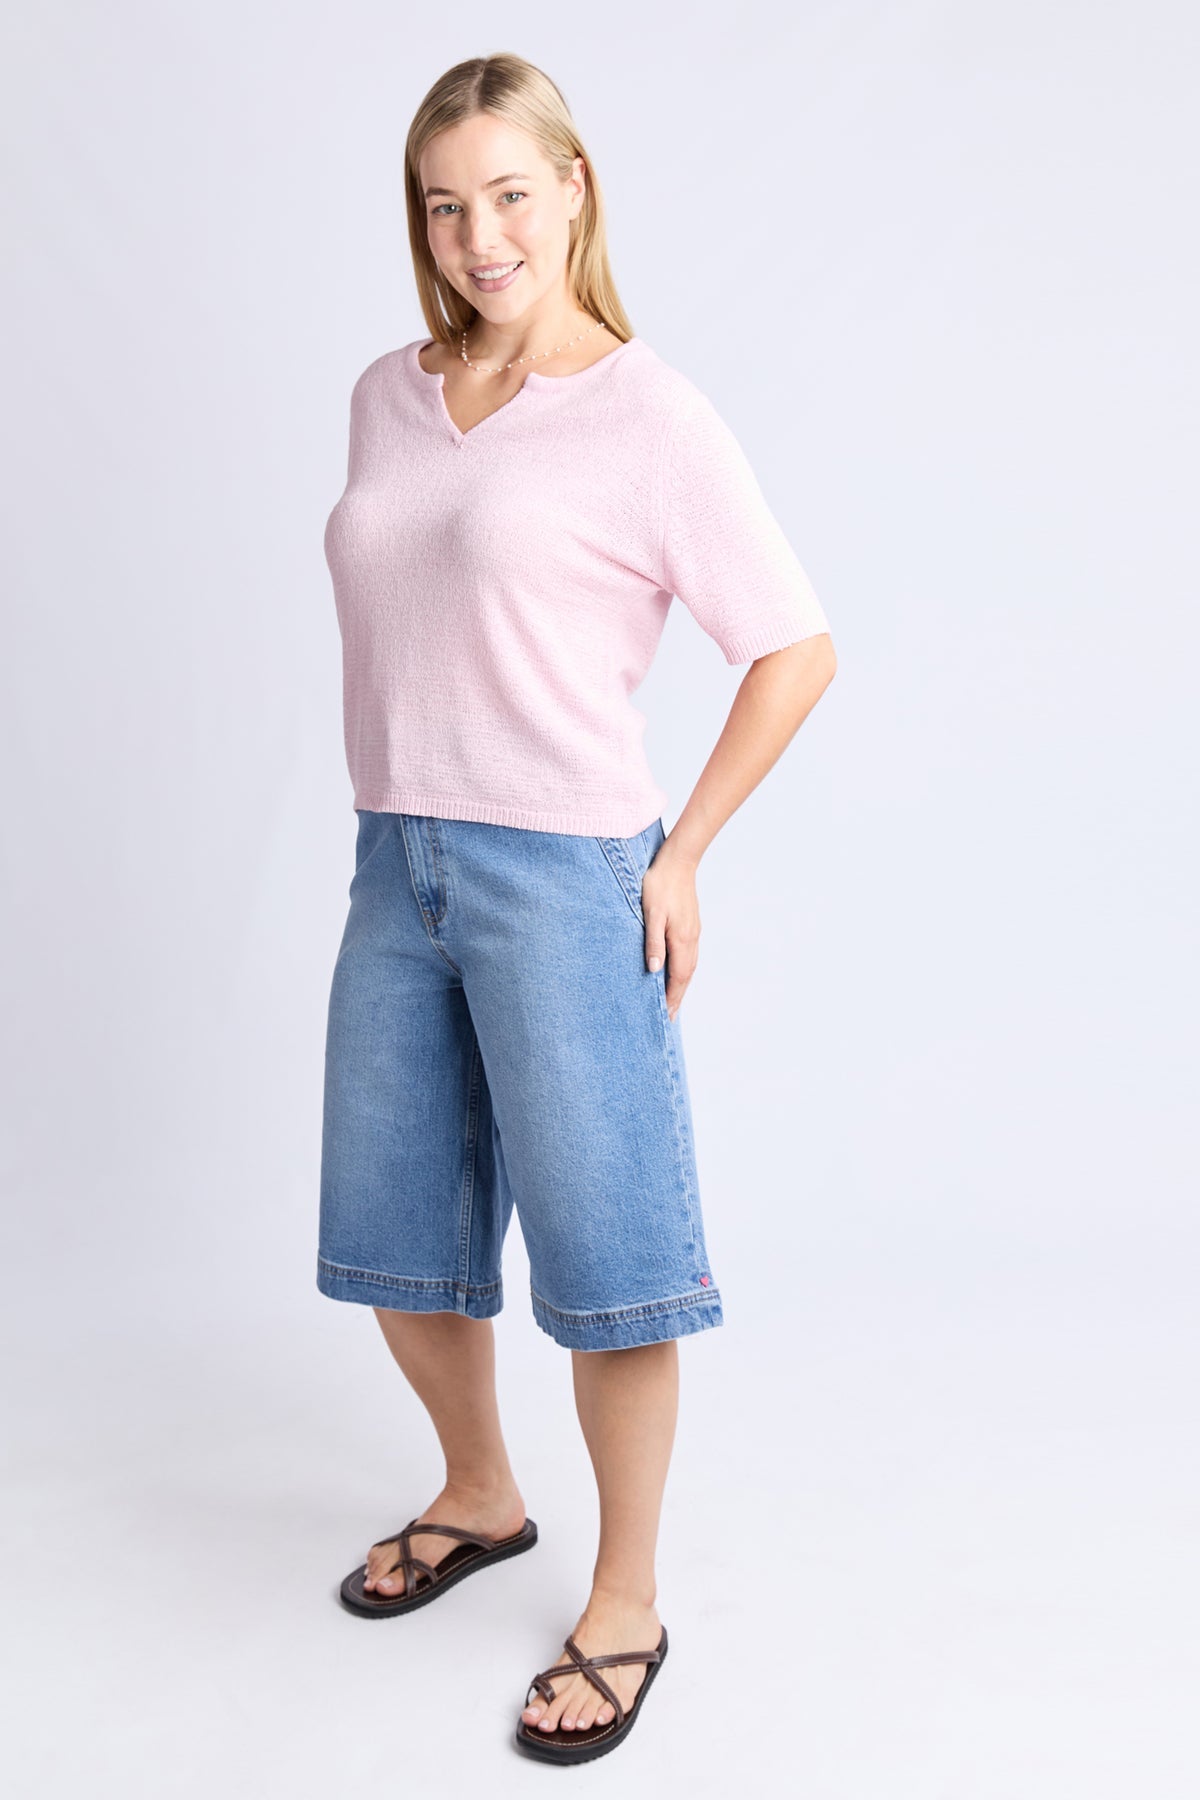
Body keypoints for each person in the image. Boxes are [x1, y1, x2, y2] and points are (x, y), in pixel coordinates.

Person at [317, 52, 837, 1764]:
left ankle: (626, 1599)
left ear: (575, 189)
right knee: (394, 1235)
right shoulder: (388, 395)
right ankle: (480, 1491)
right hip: (396, 861)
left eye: (509, 196)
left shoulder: (648, 415)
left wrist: (678, 857)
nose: (480, 237)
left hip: (562, 874)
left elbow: (795, 646)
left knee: (613, 1268)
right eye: (445, 207)